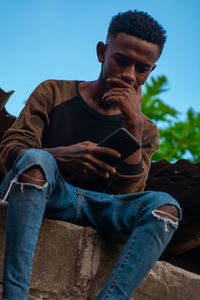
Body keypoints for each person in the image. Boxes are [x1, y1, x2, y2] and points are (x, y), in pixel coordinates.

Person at [0, 10, 181, 300]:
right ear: (102, 52)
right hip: (49, 194)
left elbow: (128, 194)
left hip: (102, 209)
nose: (129, 75)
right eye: (121, 60)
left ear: (151, 70)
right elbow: (11, 151)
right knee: (38, 161)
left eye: (142, 68)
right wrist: (59, 156)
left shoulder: (146, 129)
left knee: (165, 207)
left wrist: (134, 126)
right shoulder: (53, 92)